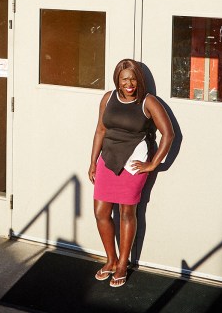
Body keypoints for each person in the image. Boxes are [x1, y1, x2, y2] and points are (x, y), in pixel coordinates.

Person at [88, 58, 174, 288]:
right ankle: (111, 260)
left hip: (133, 164)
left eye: (133, 79)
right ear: (117, 79)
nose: (129, 83)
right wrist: (93, 161)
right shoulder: (108, 98)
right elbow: (100, 130)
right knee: (101, 212)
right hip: (108, 160)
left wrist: (152, 164)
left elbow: (169, 134)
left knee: (127, 212)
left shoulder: (148, 101)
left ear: (139, 80)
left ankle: (123, 264)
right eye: (125, 78)